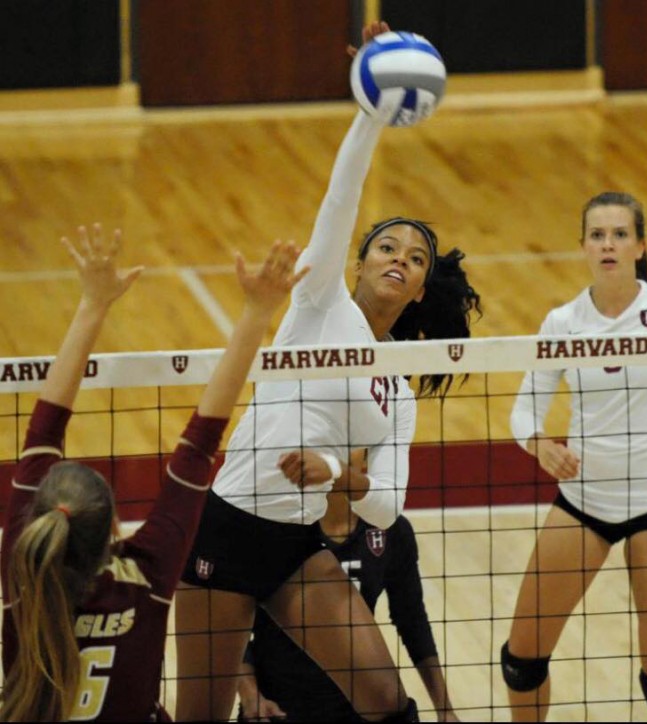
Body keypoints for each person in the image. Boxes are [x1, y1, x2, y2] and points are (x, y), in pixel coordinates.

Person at [175, 20, 481, 723]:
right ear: (362, 261)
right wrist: (371, 115)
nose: (398, 257)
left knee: (384, 700)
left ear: (416, 291)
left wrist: (335, 474)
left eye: (415, 259)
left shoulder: (396, 390)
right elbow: (340, 200)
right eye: (386, 245)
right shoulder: (320, 301)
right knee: (200, 715)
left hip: (296, 546)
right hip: (223, 528)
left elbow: (387, 506)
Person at [0, 224, 307, 721]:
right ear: (112, 531)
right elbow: (198, 445)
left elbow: (43, 434)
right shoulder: (144, 576)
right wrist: (258, 313)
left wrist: (92, 304)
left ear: (37, 518)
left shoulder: (25, 570)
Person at [503, 191, 647, 722]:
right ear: (583, 246)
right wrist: (542, 446)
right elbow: (523, 414)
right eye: (597, 235)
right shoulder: (563, 323)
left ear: (640, 245)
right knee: (521, 660)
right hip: (585, 501)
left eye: (618, 234)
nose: (607, 244)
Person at [237, 463, 459, 723]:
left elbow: (412, 621)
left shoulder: (390, 529)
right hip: (277, 709)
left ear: (364, 460)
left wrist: (445, 709)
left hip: (361, 709)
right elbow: (230, 628)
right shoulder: (271, 529)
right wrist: (251, 696)